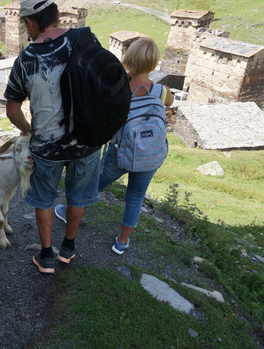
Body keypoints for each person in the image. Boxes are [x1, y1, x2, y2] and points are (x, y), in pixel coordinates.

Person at [4, 0, 102, 274]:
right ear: (58, 16)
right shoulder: (86, 39)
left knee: (44, 198)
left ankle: (46, 256)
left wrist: (28, 129)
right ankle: (68, 248)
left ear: (29, 23)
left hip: (47, 146)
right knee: (78, 196)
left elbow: (12, 111)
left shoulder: (25, 60)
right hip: (87, 140)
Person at [54, 37, 174, 255]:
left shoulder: (119, 86)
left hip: (120, 153)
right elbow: (170, 102)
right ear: (154, 63)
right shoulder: (161, 91)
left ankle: (68, 211)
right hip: (150, 155)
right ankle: (121, 242)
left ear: (128, 59)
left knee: (92, 184)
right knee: (136, 197)